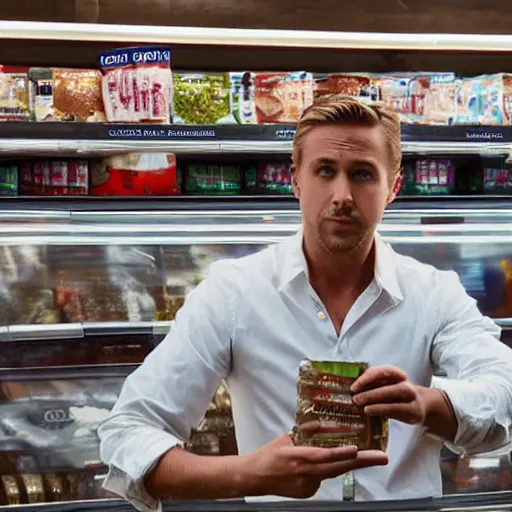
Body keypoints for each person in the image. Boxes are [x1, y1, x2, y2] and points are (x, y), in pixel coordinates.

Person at [98, 96, 512, 512]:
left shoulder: (433, 292)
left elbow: (504, 389)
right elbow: (128, 432)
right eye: (325, 171)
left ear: (393, 188)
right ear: (295, 180)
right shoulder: (235, 293)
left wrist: (428, 405)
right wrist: (250, 473)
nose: (342, 195)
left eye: (363, 174)